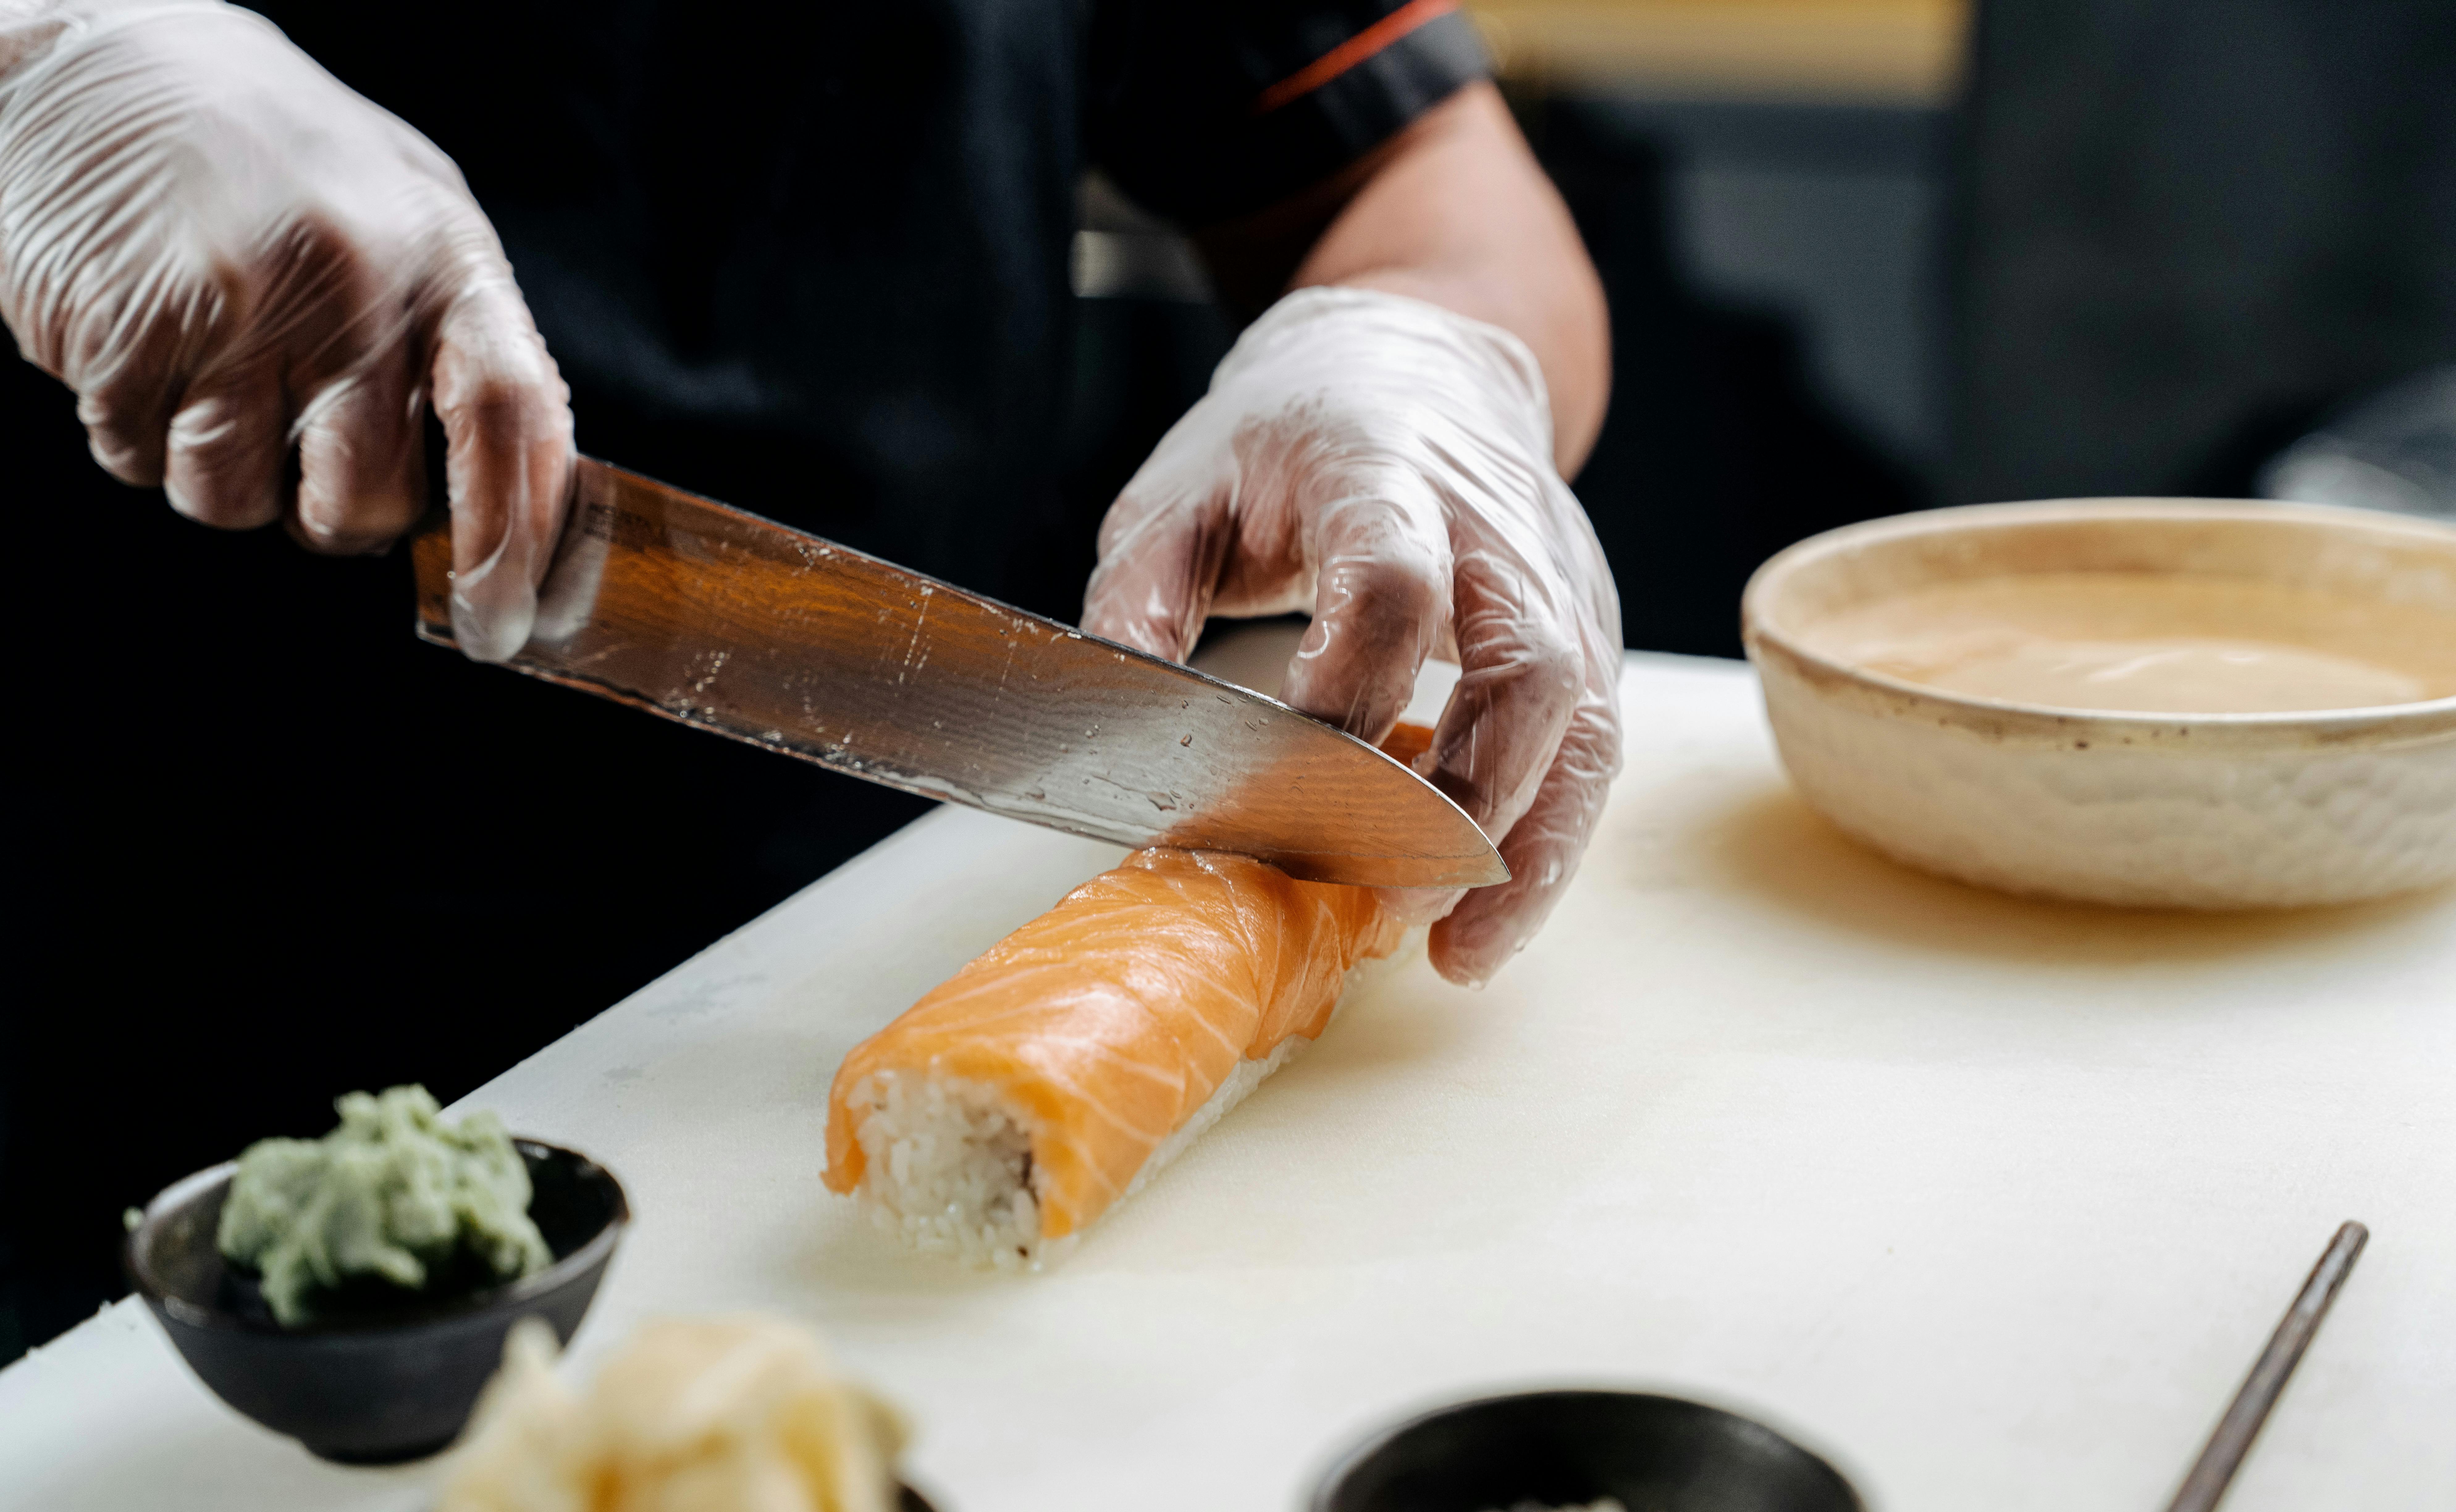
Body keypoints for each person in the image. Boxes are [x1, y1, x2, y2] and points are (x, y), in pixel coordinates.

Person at [0, 1, 1620, 1352]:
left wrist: (1422, 352)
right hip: (122, 994)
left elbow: (1427, 168)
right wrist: (32, 58)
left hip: (898, 917)